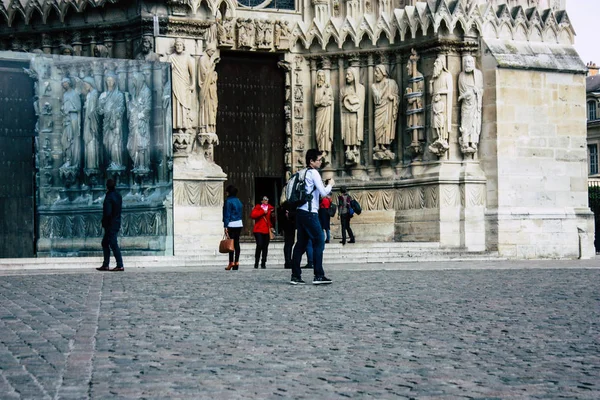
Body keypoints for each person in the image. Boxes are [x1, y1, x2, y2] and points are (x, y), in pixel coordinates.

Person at [290, 149, 334, 285]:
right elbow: (323, 193)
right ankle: (318, 275)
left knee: (301, 244)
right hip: (310, 213)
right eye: (319, 160)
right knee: (319, 240)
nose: (321, 162)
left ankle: (295, 276)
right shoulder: (314, 173)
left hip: (300, 212)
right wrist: (330, 185)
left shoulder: (302, 173)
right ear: (311, 161)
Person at [96, 179, 124, 271]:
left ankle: (119, 265)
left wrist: (104, 222)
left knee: (113, 243)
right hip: (116, 222)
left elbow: (107, 212)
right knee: (105, 243)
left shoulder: (109, 197)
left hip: (110, 224)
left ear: (107, 186)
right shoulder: (118, 195)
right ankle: (106, 264)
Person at [250, 196, 275, 269]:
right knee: (259, 245)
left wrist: (273, 216)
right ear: (261, 201)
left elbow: (272, 220)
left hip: (267, 230)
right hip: (258, 230)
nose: (266, 201)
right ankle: (256, 262)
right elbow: (253, 215)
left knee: (265, 247)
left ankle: (263, 262)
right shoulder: (258, 207)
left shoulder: (270, 208)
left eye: (267, 199)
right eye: (264, 200)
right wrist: (262, 212)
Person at [222, 185, 243, 270]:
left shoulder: (228, 201)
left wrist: (225, 225)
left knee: (231, 244)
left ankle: (231, 262)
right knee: (237, 243)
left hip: (231, 223)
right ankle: (237, 262)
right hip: (239, 223)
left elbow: (227, 213)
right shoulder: (238, 201)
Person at [277, 204, 295, 269]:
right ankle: (288, 261)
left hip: (289, 225)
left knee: (289, 243)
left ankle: (289, 261)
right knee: (289, 244)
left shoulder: (285, 206)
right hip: (289, 226)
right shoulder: (287, 205)